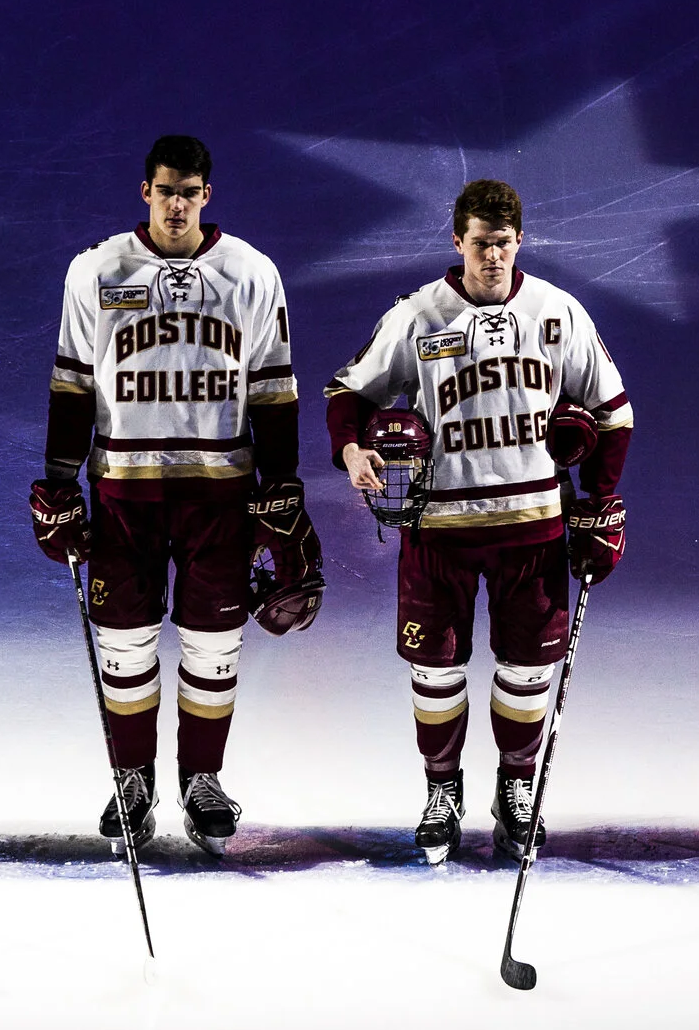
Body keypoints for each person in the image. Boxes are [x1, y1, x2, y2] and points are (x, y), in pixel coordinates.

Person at [326, 178, 631, 863]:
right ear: (456, 240)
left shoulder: (558, 313)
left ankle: (515, 789)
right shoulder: (418, 315)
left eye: (501, 242)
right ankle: (442, 789)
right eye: (478, 242)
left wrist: (599, 499)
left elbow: (614, 413)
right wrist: (350, 446)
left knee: (527, 670)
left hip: (534, 526)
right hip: (439, 527)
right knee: (434, 672)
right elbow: (348, 389)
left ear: (519, 240)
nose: (490, 255)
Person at [31, 135, 316, 857]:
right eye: (166, 191)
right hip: (124, 486)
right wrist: (58, 481)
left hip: (220, 489)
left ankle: (201, 778)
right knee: (124, 642)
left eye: (190, 192)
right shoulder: (95, 271)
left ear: (206, 195)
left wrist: (282, 486)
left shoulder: (251, 273)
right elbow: (72, 385)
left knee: (214, 642)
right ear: (145, 191)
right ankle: (133, 778)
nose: (177, 203)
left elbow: (274, 391)